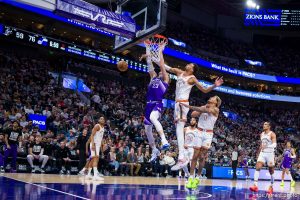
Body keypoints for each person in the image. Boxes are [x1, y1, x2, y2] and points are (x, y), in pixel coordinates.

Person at [158, 52, 223, 170]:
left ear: (192, 70)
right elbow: (165, 67)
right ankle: (182, 157)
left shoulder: (192, 78)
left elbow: (204, 90)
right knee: (177, 127)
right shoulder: (179, 72)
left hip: (183, 102)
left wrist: (214, 86)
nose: (187, 64)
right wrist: (156, 55)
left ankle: (182, 157)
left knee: (179, 128)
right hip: (177, 103)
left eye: (190, 64)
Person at [183, 96, 221, 189]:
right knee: (195, 156)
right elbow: (193, 115)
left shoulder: (216, 109)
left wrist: (189, 106)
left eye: (213, 98)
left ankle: (198, 177)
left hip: (208, 134)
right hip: (199, 131)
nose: (211, 98)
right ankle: (191, 177)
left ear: (216, 102)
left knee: (202, 157)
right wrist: (200, 109)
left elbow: (206, 110)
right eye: (211, 97)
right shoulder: (205, 106)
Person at [139, 50, 170, 162]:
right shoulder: (153, 77)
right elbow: (150, 68)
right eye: (161, 72)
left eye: (163, 72)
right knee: (147, 130)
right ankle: (154, 150)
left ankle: (164, 140)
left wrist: (160, 52)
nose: (161, 72)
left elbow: (162, 66)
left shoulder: (165, 80)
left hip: (157, 103)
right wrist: (148, 57)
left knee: (153, 118)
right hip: (148, 104)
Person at [249, 122, 277, 195]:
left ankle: (271, 186)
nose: (263, 125)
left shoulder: (272, 134)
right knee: (257, 167)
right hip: (263, 153)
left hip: (270, 154)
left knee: (271, 171)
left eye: (265, 124)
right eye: (263, 124)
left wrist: (267, 146)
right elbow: (261, 144)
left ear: (269, 126)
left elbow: (275, 144)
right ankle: (255, 185)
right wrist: (258, 152)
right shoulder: (261, 134)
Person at [88, 116, 105, 181]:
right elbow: (92, 135)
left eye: (103, 119)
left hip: (97, 145)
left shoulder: (103, 128)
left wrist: (101, 145)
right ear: (98, 120)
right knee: (95, 159)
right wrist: (92, 145)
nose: (102, 120)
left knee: (93, 160)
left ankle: (89, 174)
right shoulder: (97, 126)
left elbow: (100, 138)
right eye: (101, 118)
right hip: (94, 144)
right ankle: (95, 175)